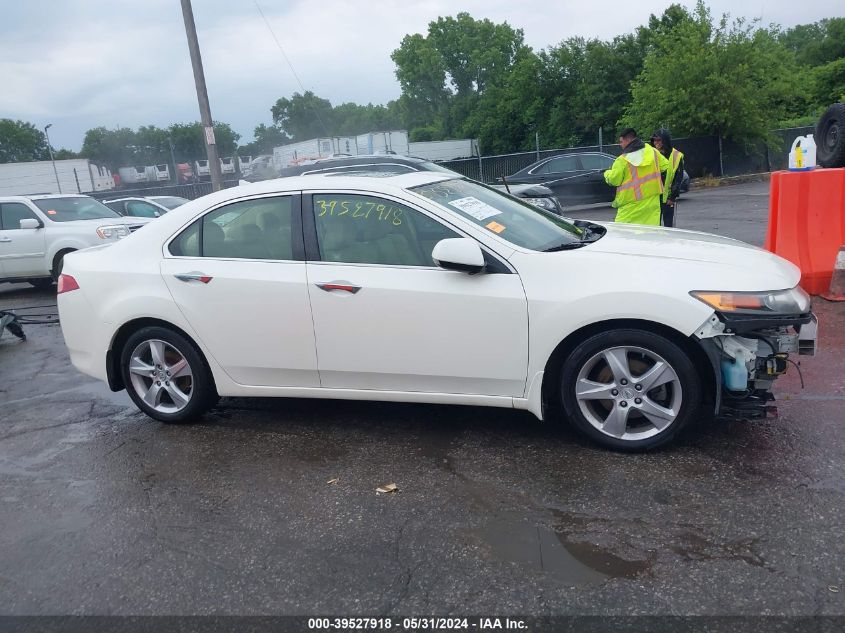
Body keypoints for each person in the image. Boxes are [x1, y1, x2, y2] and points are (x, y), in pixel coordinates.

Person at [603, 128, 668, 226]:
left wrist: (607, 173)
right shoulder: (652, 151)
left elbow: (614, 180)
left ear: (628, 140)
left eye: (621, 142)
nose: (620, 145)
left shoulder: (622, 160)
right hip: (652, 203)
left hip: (630, 207)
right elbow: (666, 167)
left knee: (624, 236)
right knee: (650, 236)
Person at [650, 129, 685, 227]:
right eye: (654, 140)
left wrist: (673, 196)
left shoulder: (675, 156)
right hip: (654, 196)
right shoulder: (651, 154)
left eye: (658, 140)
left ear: (664, 140)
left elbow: (678, 177)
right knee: (654, 224)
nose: (656, 142)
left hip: (668, 197)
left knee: (668, 225)